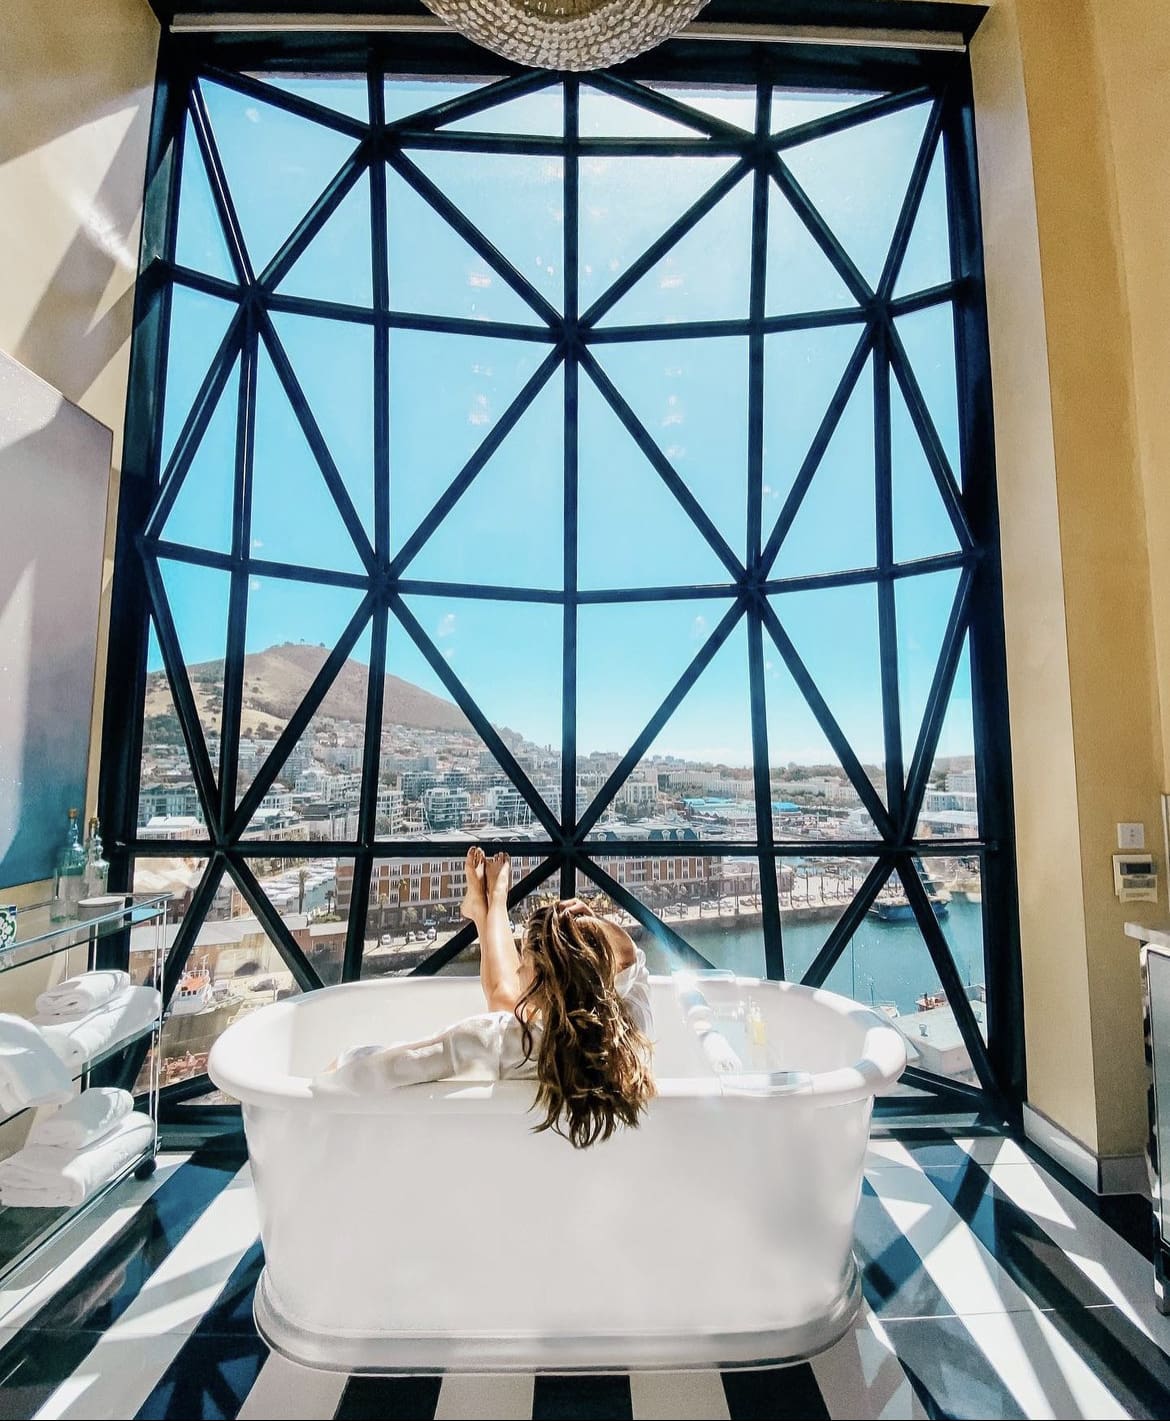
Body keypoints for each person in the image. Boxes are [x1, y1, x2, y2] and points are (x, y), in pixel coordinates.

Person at [316, 848, 656, 1149]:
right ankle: (489, 908)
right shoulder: (631, 1035)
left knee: (503, 998)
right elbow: (630, 960)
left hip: (494, 1176)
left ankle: (491, 907)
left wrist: (336, 1065)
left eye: (523, 963)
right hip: (592, 1199)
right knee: (505, 999)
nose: (518, 969)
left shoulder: (499, 1041)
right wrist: (588, 922)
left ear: (543, 986)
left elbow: (375, 1070)